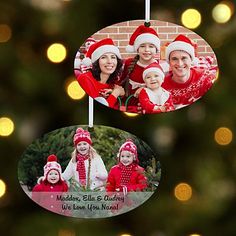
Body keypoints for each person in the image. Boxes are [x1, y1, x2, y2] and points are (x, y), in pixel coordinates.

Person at [119, 23, 169, 112]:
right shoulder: (129, 63)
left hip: (150, 108)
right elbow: (121, 81)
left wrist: (145, 89)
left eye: (151, 46)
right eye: (142, 46)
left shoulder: (159, 67)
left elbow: (162, 89)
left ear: (156, 49)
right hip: (129, 105)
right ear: (137, 49)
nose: (146, 50)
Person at [162, 34, 217, 109]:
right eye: (174, 59)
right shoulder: (161, 86)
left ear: (191, 60)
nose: (180, 64)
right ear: (169, 62)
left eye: (184, 58)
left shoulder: (206, 78)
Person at [76, 38, 125, 108]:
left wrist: (122, 93)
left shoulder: (113, 83)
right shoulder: (85, 79)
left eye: (113, 57)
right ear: (96, 62)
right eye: (104, 57)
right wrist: (115, 93)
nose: (109, 61)